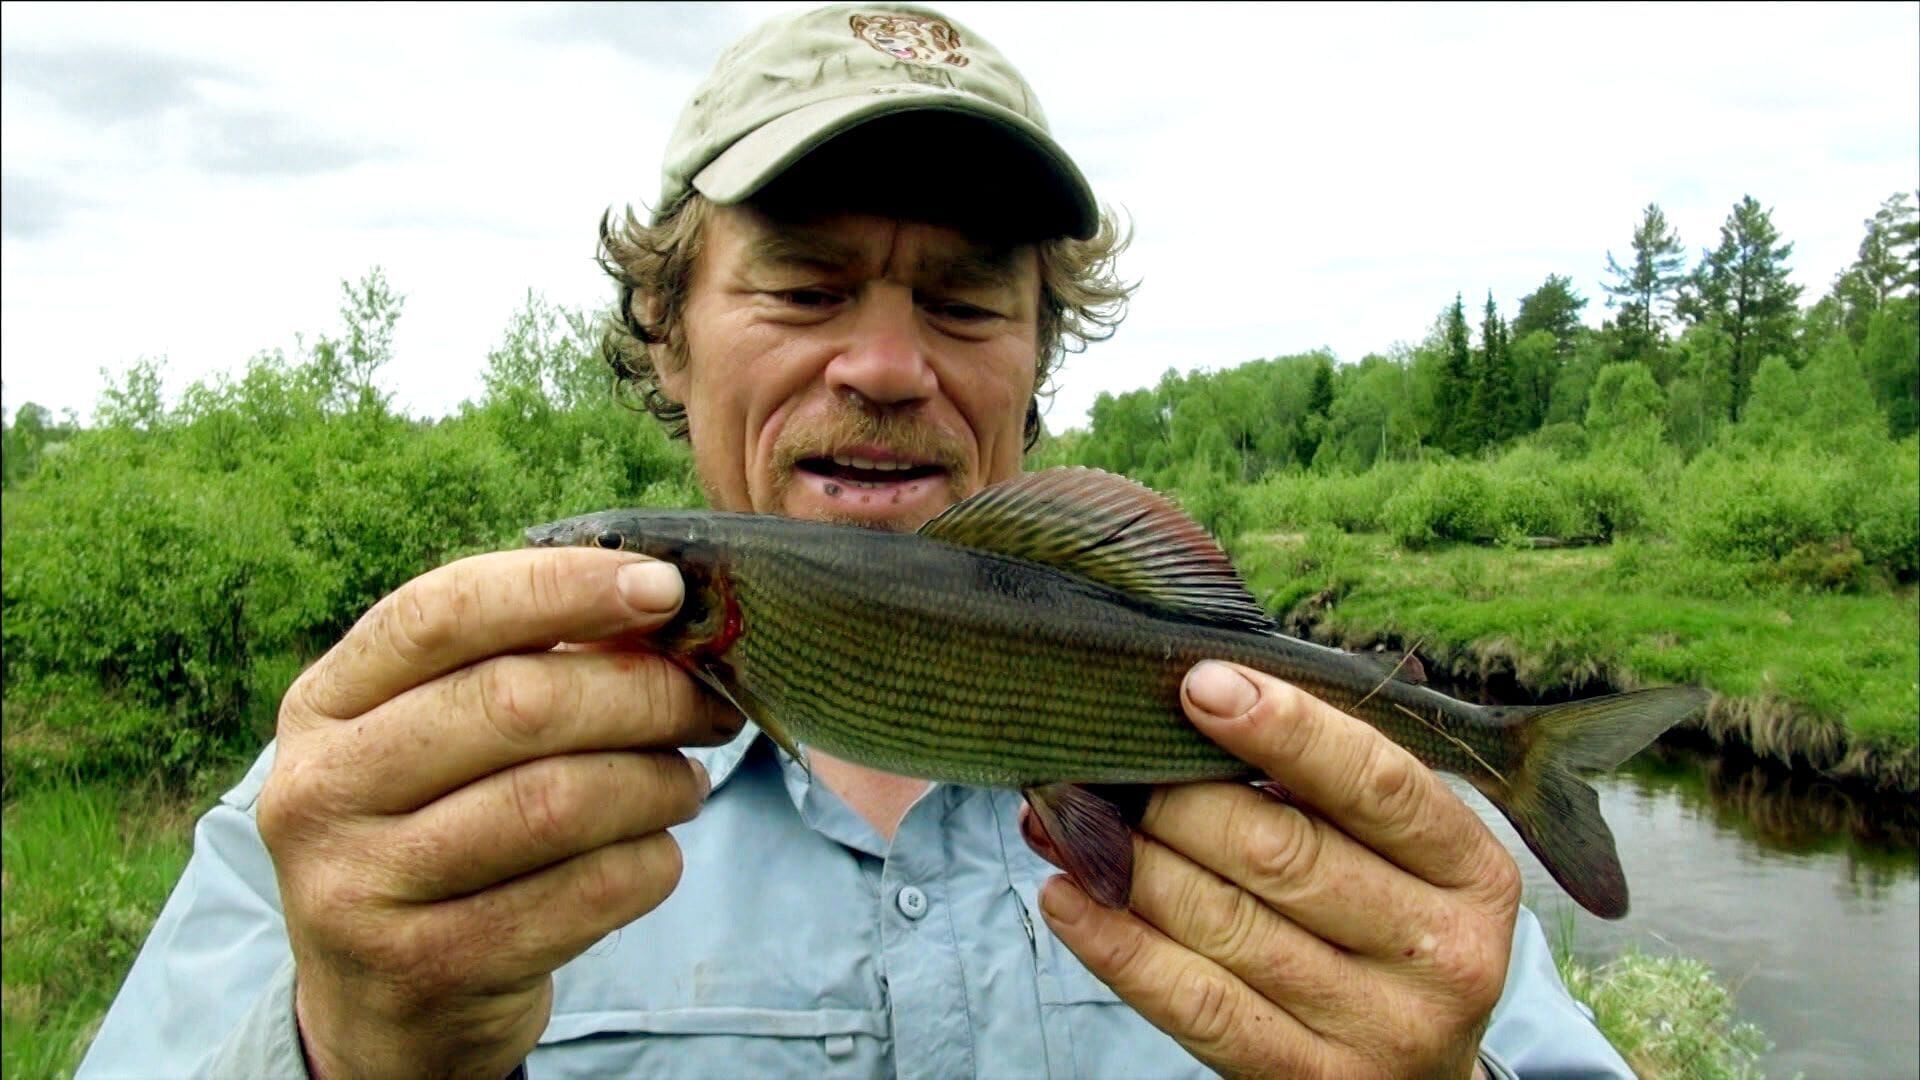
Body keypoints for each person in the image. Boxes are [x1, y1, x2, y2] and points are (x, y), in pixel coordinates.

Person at [80, 5, 1631, 1078]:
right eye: (805, 287)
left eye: (963, 302)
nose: (886, 365)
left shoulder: (1344, 826)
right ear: (667, 339)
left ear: (1037, 359)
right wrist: (348, 1050)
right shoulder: (382, 822)